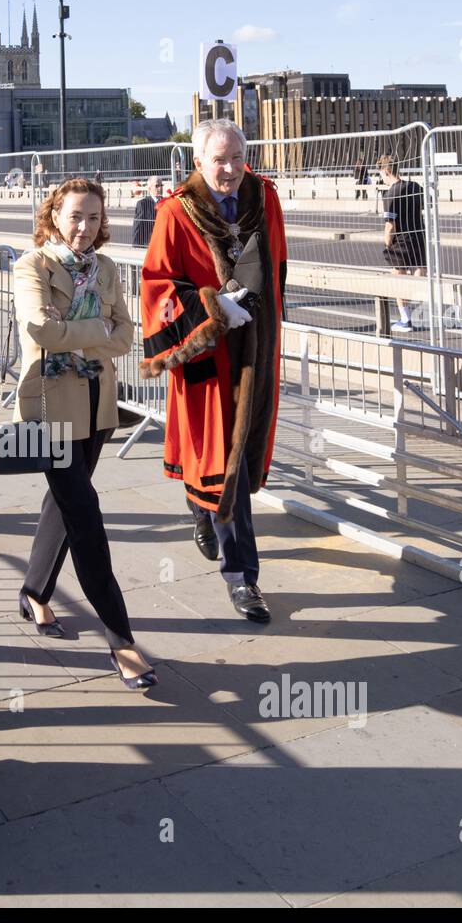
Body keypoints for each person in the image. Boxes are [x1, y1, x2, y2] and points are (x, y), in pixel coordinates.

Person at [140, 118, 287, 623]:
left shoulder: (264, 199)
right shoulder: (175, 212)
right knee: (219, 463)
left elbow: (278, 267)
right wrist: (212, 308)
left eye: (236, 157)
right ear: (198, 161)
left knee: (238, 462)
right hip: (207, 356)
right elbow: (158, 287)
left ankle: (202, 509)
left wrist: (263, 315)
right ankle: (242, 577)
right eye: (218, 159)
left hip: (254, 353)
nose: (228, 169)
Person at [12, 178, 154, 688]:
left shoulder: (108, 268)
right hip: (50, 409)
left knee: (64, 506)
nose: (84, 228)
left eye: (94, 218)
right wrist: (98, 333)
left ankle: (34, 593)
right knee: (86, 516)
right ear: (54, 217)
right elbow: (41, 330)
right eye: (75, 216)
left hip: (96, 409)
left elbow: (128, 335)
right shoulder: (31, 266)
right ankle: (122, 639)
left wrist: (82, 334)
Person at [377, 154, 427, 333]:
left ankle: (406, 319)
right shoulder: (415, 186)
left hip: (401, 240)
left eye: (381, 174)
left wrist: (387, 243)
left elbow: (390, 225)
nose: (381, 178)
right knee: (419, 269)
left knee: (398, 278)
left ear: (386, 171)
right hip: (419, 236)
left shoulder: (390, 194)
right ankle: (417, 302)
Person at [131, 175, 165, 248]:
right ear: (149, 188)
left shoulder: (166, 202)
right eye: (157, 186)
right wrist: (136, 246)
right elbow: (137, 226)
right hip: (149, 245)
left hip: (163, 245)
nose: (160, 188)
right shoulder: (143, 204)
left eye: (161, 185)